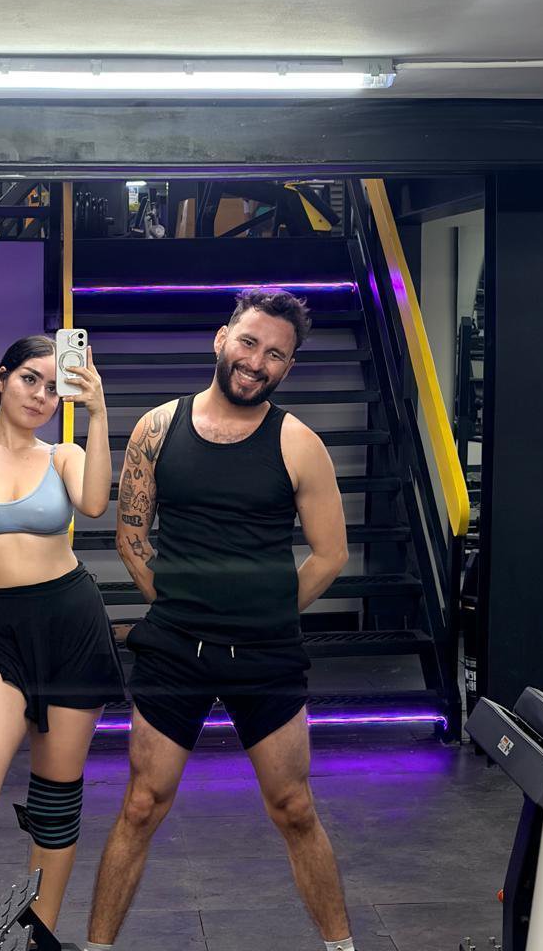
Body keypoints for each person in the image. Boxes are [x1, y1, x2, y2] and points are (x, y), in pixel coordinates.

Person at [85, 288, 355, 951]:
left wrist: (265, 611)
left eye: (276, 354)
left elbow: (330, 554)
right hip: (175, 648)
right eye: (249, 342)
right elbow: (131, 536)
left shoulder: (298, 443)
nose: (257, 361)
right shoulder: (156, 428)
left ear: (288, 367)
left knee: (295, 809)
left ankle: (342, 947)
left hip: (266, 653)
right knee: (140, 806)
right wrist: (181, 603)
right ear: (221, 338)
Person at [0, 335, 126, 940]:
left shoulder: (63, 456)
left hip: (71, 625)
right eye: (28, 379)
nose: (40, 395)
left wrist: (98, 412)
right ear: (1, 379)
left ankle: (38, 936)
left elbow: (95, 503)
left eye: (52, 387)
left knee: (55, 799)